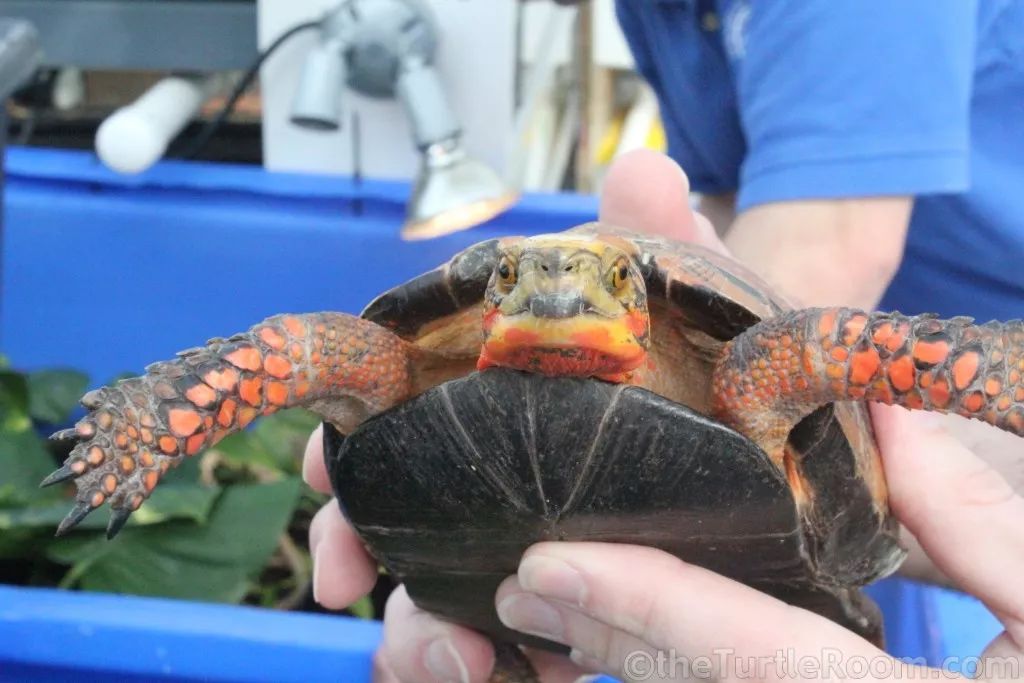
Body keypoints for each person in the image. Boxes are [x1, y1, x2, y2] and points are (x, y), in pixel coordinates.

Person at [303, 152, 1024, 682]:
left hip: (785, 574)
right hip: (501, 597)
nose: (558, 288)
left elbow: (837, 252)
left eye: (612, 281)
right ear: (490, 301)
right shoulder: (397, 363)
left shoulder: (753, 375)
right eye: (513, 279)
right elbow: (300, 356)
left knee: (805, 350)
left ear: (639, 306)